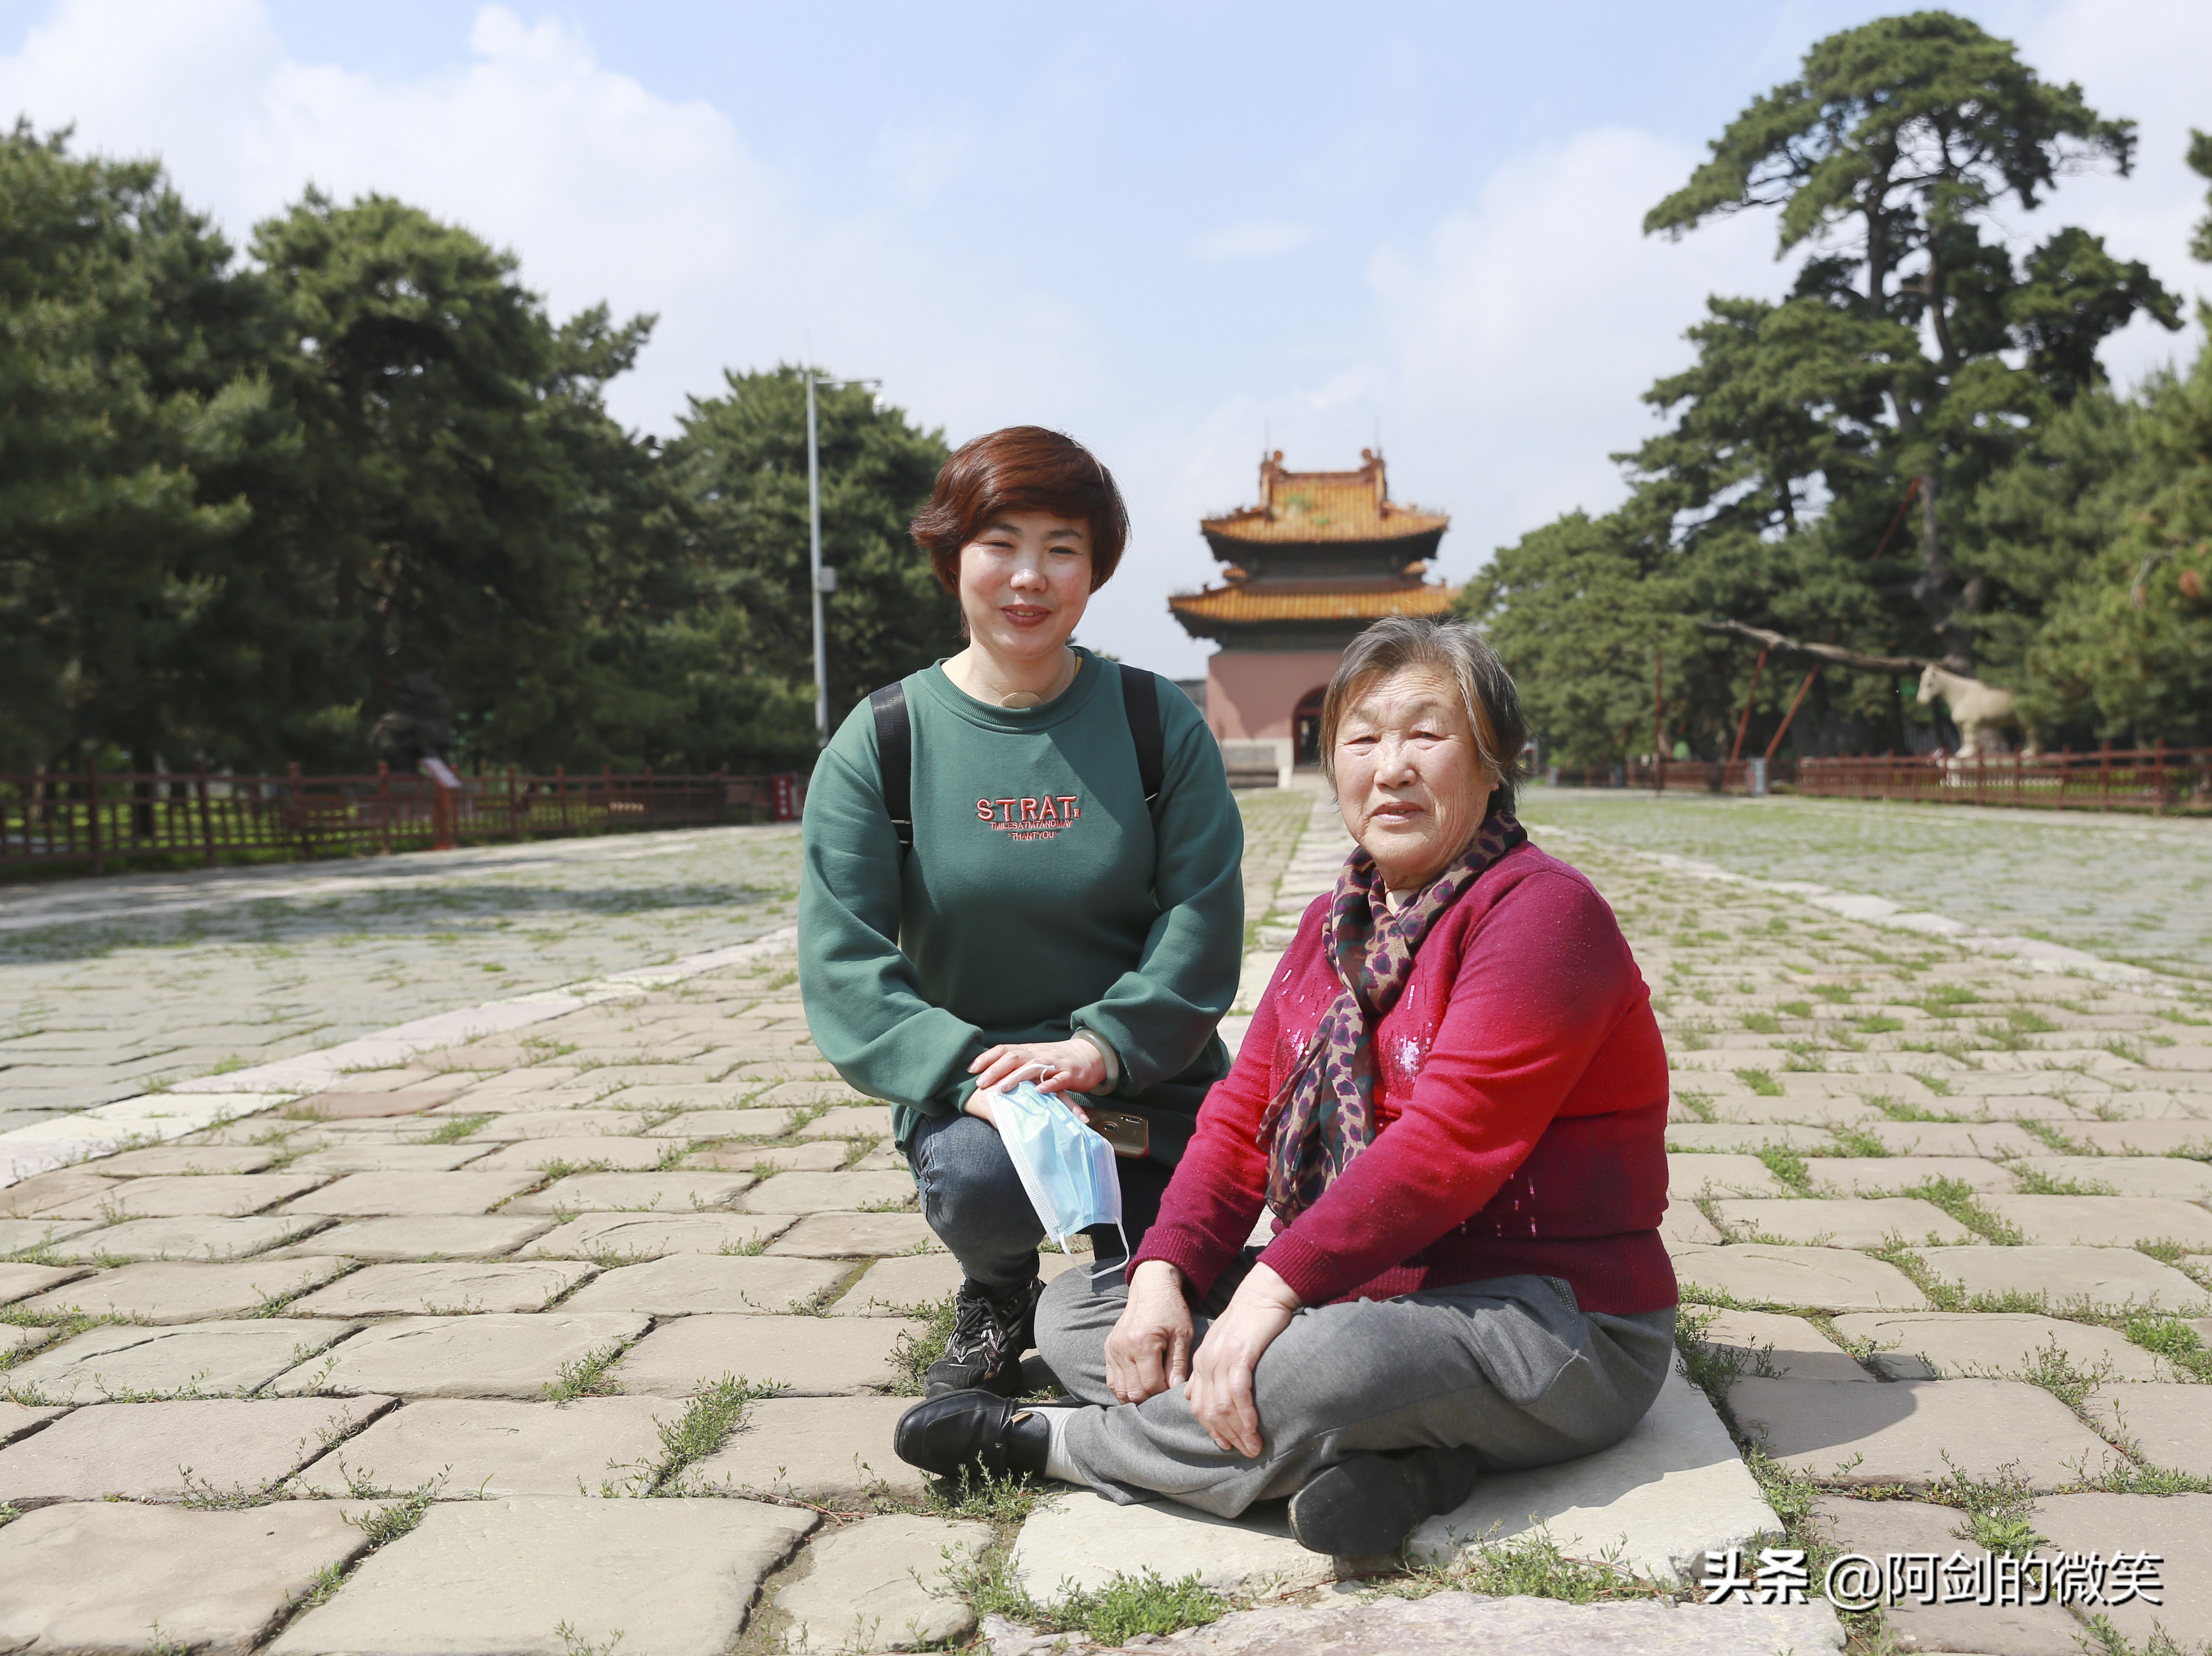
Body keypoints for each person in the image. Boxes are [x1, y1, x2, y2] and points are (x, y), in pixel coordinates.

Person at [892, 615, 1678, 1558]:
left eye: (1427, 735)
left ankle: (1066, 1445)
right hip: (1360, 1291)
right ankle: (1411, 1466)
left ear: (1494, 761)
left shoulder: (1545, 916)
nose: (1391, 768)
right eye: (1363, 738)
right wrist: (1162, 1277)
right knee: (1082, 1314)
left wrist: (1270, 1293)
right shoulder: (1330, 926)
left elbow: (1448, 1149)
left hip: (1551, 1314)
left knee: (1326, 1365)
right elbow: (1235, 1125)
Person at [798, 425, 1244, 1400]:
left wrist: (1104, 1048)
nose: (1029, 576)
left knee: (1196, 1264)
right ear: (952, 555)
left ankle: (1141, 1262)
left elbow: (1201, 919)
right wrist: (970, 1075)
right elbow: (846, 965)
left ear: (1096, 569)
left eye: (1063, 548)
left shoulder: (1155, 725)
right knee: (979, 1178)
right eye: (1000, 542)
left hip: (1139, 1092)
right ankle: (998, 1291)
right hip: (989, 1107)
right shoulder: (884, 740)